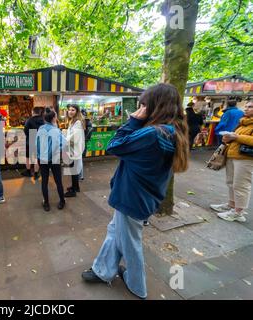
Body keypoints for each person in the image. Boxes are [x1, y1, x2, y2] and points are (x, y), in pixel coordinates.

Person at [81, 83, 189, 299]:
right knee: (115, 232)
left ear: (154, 105)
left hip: (133, 197)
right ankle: (103, 270)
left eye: (143, 104)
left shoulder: (153, 133)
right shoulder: (171, 130)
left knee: (129, 243)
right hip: (141, 196)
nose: (140, 108)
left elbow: (114, 145)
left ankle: (137, 285)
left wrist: (133, 121)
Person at [210, 100, 253, 222]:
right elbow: (236, 138)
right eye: (246, 106)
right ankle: (231, 205)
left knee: (241, 185)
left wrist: (236, 136)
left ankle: (238, 212)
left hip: (246, 158)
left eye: (250, 107)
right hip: (233, 155)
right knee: (231, 182)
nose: (246, 108)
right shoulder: (243, 122)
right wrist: (228, 138)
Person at [36, 108, 67, 211]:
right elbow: (64, 144)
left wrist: (39, 156)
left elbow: (36, 144)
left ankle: (46, 204)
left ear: (44, 118)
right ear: (54, 118)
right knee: (58, 181)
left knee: (44, 181)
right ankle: (62, 201)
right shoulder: (56, 130)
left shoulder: (40, 129)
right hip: (55, 159)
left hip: (43, 159)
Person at [64, 104, 85, 198]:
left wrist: (64, 140)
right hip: (72, 148)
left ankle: (74, 191)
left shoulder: (78, 122)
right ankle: (75, 187)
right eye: (69, 110)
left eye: (73, 110)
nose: (70, 111)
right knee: (73, 169)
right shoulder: (72, 121)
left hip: (74, 149)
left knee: (73, 170)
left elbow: (75, 137)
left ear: (77, 111)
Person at [21, 107, 45, 179]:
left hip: (30, 141)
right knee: (37, 159)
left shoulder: (29, 120)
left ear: (33, 112)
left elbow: (25, 131)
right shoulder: (43, 121)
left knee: (28, 158)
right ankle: (36, 174)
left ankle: (28, 172)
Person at [79, 109, 93, 180]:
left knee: (79, 159)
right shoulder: (85, 121)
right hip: (82, 141)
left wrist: (85, 139)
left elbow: (89, 131)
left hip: (82, 141)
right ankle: (80, 176)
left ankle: (80, 176)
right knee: (79, 159)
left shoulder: (84, 121)